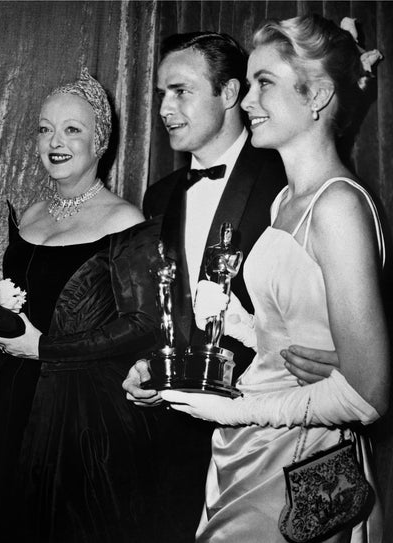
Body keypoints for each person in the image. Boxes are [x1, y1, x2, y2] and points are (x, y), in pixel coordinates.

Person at [161, 14, 390, 542]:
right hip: (248, 452)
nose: (244, 101)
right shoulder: (288, 200)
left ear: (317, 96)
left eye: (264, 83)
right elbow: (287, 328)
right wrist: (227, 320)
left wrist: (238, 410)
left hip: (301, 462)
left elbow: (368, 395)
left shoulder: (337, 206)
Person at [123, 31, 341, 542]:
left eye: (180, 91)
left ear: (229, 94)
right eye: (159, 94)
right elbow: (160, 310)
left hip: (273, 439)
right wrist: (143, 367)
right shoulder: (158, 196)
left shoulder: (289, 179)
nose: (164, 108)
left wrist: (350, 359)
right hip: (174, 441)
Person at [0, 68, 163, 543]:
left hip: (74, 407)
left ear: (100, 140)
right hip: (3, 390)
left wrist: (47, 348)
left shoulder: (125, 219)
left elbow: (141, 327)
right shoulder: (33, 211)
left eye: (72, 129)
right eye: (44, 128)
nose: (54, 141)